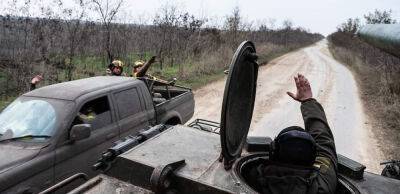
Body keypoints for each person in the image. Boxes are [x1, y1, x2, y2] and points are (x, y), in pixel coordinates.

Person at [252, 74, 337, 194]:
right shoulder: (321, 187)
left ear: (273, 151)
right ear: (314, 160)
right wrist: (308, 101)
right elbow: (324, 143)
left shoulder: (253, 178)